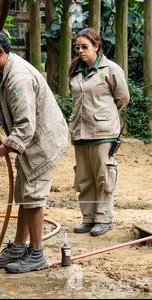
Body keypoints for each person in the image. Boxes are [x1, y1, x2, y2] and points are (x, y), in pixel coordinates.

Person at [0, 30, 68, 273]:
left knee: (34, 195)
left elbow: (25, 127)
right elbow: (7, 112)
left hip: (42, 140)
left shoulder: (18, 78)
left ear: (0, 52)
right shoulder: (4, 72)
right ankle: (20, 247)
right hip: (32, 139)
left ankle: (37, 253)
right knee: (24, 193)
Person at [69, 28, 129, 236]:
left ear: (97, 46)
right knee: (84, 177)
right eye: (78, 48)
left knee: (103, 175)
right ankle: (89, 218)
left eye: (85, 47)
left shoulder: (111, 69)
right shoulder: (76, 71)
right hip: (80, 132)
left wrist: (104, 116)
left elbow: (122, 98)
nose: (80, 51)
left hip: (103, 132)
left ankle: (104, 218)